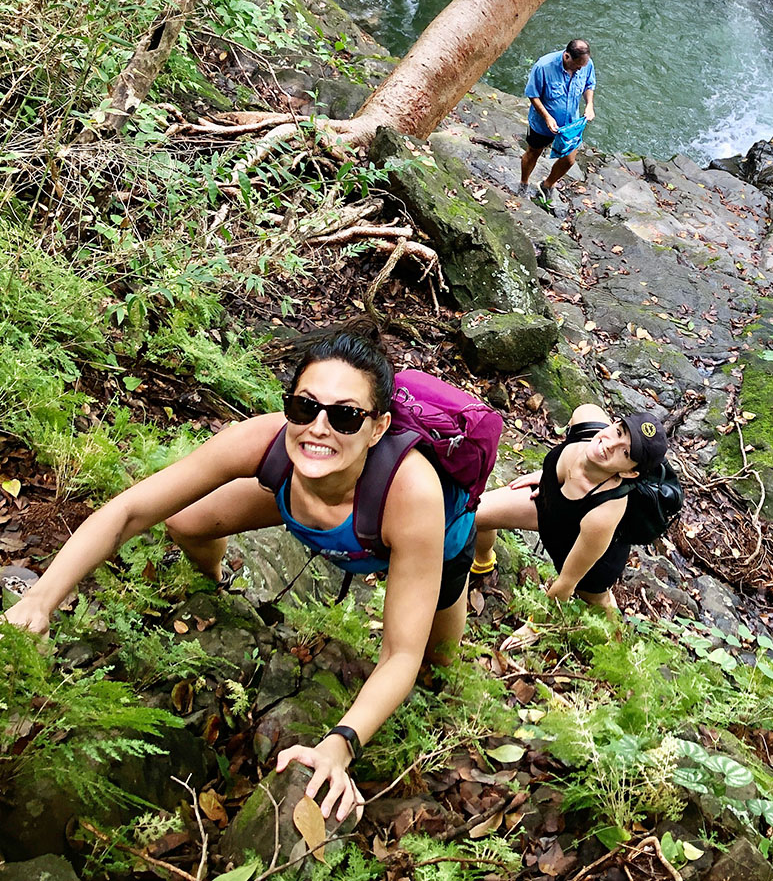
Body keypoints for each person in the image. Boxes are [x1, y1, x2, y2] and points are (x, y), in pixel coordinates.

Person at [2, 327, 475, 823]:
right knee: (186, 521)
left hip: (426, 544)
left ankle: (449, 669)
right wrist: (41, 598)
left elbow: (399, 652)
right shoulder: (261, 441)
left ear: (377, 428)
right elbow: (130, 510)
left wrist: (341, 744)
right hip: (311, 508)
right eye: (304, 407)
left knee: (434, 664)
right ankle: (216, 584)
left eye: (345, 415)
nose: (318, 427)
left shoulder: (412, 494)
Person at [471, 404, 667, 649]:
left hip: (592, 556)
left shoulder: (604, 513)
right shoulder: (589, 423)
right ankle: (483, 562)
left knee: (596, 603)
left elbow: (566, 584)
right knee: (475, 513)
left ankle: (621, 650)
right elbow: (584, 409)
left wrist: (535, 626)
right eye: (618, 432)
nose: (609, 445)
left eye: (625, 454)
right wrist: (547, 475)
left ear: (629, 474)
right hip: (550, 508)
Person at [520, 38, 596, 211]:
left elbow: (589, 84)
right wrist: (547, 117)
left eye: (582, 66)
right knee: (533, 153)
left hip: (570, 124)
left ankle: (547, 185)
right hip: (542, 123)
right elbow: (533, 94)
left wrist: (590, 104)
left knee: (569, 160)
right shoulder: (543, 67)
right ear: (567, 56)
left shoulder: (586, 63)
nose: (580, 69)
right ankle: (523, 183)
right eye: (577, 66)